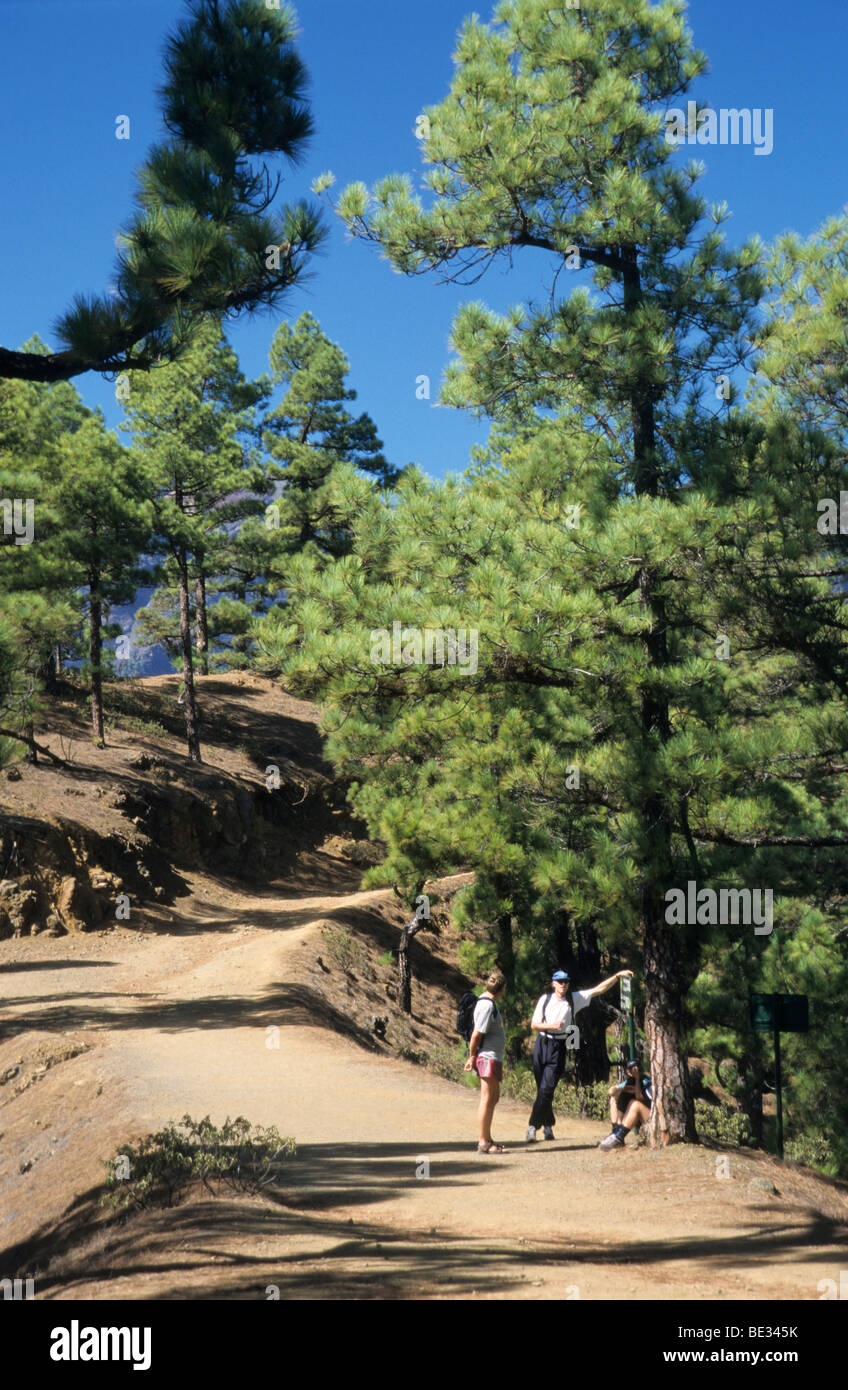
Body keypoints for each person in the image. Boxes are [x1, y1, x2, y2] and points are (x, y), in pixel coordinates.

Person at [526, 966, 634, 1142]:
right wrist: (551, 1025)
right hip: (542, 1043)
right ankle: (548, 1126)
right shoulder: (544, 1000)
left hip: (559, 1046)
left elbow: (598, 990)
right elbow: (534, 1025)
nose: (563, 985)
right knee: (542, 1089)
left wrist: (616, 976)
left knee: (547, 1088)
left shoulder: (574, 999)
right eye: (560, 982)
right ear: (553, 984)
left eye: (566, 982)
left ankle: (532, 1127)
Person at [463, 969, 508, 1154]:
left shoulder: (487, 1003)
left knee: (493, 1098)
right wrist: (472, 1056)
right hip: (487, 1057)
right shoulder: (487, 1006)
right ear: (502, 988)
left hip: (492, 1057)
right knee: (487, 1099)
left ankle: (488, 1138)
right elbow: (476, 1035)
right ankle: (483, 1142)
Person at [598, 1057, 653, 1149]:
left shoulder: (647, 1081)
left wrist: (637, 1079)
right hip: (639, 1117)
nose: (633, 1071)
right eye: (631, 1069)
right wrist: (622, 1089)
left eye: (636, 1068)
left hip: (651, 1117)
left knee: (635, 1103)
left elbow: (640, 1097)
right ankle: (616, 1132)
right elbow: (611, 1091)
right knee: (614, 1098)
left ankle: (618, 1136)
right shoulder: (629, 1081)